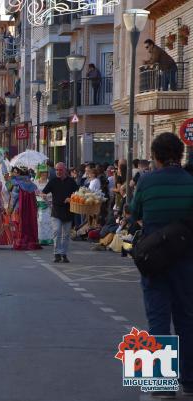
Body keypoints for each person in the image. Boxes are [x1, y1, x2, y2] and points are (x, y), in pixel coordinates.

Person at [129, 132, 193, 398]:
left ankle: (159, 383)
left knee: (157, 317)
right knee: (187, 318)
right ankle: (189, 381)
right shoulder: (191, 182)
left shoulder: (146, 181)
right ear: (178, 155)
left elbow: (135, 214)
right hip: (186, 257)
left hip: (154, 258)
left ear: (155, 157)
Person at [42, 162, 79, 263]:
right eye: (57, 170)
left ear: (65, 171)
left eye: (60, 170)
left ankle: (64, 253)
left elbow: (78, 194)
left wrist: (71, 198)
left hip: (68, 211)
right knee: (57, 231)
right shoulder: (53, 181)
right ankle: (56, 253)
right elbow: (44, 192)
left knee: (66, 235)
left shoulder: (71, 181)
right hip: (56, 210)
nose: (58, 172)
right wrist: (44, 196)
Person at [8, 167, 42, 251]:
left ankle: (19, 242)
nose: (13, 174)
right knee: (29, 225)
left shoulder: (17, 183)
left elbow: (14, 198)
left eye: (15, 172)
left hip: (19, 209)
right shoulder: (31, 183)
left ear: (19, 173)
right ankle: (30, 242)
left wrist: (9, 210)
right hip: (30, 210)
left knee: (18, 226)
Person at [34, 164, 53, 246]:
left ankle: (48, 239)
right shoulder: (35, 182)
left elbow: (52, 193)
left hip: (47, 204)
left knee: (48, 221)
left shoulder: (49, 182)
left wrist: (46, 196)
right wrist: (38, 196)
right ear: (39, 173)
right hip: (38, 204)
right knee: (40, 222)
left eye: (45, 172)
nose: (44, 174)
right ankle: (41, 238)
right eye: (42, 173)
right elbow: (33, 193)